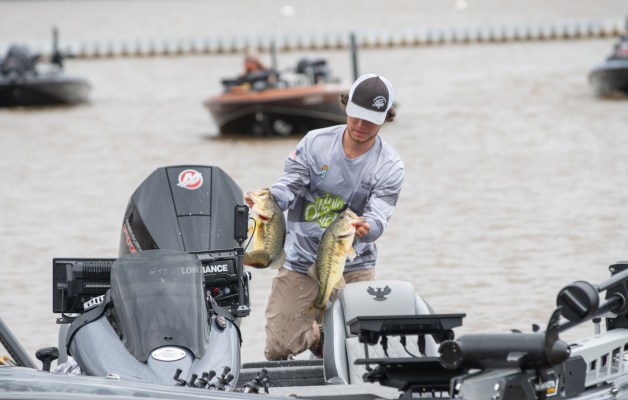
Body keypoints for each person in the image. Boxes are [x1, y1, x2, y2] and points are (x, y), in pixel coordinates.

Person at [245, 74, 404, 361]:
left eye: (370, 120)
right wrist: (269, 200)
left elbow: (379, 218)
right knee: (278, 348)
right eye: (356, 115)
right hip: (300, 259)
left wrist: (367, 228)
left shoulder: (390, 165)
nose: (360, 125)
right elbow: (290, 184)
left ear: (385, 119)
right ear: (346, 106)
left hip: (354, 262)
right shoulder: (315, 143)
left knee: (361, 351)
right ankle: (322, 335)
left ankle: (338, 337)